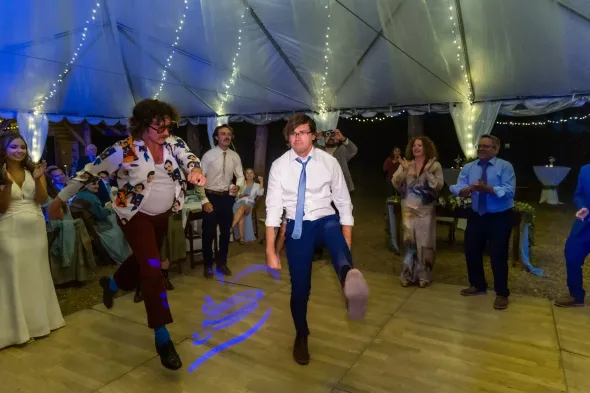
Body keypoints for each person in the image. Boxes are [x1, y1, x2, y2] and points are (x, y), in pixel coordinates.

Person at [47, 99, 206, 370]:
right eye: (160, 127)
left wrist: (196, 170)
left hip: (163, 216)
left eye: (169, 126)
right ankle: (162, 337)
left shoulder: (174, 144)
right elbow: (88, 173)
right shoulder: (122, 150)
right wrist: (60, 199)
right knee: (153, 269)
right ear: (143, 126)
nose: (166, 132)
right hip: (134, 216)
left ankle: (111, 285)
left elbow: (189, 158)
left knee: (144, 261)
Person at [265, 113, 369, 365]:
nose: (297, 137)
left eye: (302, 132)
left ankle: (349, 280)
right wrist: (271, 250)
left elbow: (344, 203)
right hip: (297, 227)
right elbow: (273, 209)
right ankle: (301, 334)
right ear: (288, 138)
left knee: (334, 229)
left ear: (313, 135)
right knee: (300, 288)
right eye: (292, 133)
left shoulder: (328, 162)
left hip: (325, 220)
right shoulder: (279, 166)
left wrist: (346, 246)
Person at [0, 132, 66, 349]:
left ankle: (40, 323)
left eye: (22, 147)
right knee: (12, 273)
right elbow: (2, 207)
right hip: (8, 227)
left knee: (36, 273)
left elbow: (42, 199)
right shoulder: (1, 173)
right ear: (4, 149)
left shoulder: (33, 171)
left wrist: (38, 178)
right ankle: (16, 329)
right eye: (14, 147)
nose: (19, 151)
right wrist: (7, 185)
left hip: (35, 228)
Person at [450, 135, 515, 310]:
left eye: (485, 146)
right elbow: (457, 187)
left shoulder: (505, 167)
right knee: (471, 250)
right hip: (477, 215)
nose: (481, 149)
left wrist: (489, 189)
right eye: (479, 146)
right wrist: (469, 189)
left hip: (499, 216)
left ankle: (502, 293)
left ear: (496, 149)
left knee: (498, 255)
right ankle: (478, 285)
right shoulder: (470, 167)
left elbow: (509, 191)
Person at [391, 137, 443, 288]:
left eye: (419, 145)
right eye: (414, 145)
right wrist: (405, 171)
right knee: (409, 242)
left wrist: (427, 173)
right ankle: (406, 274)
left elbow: (438, 185)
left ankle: (423, 275)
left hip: (426, 210)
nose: (416, 148)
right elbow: (395, 182)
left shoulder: (434, 165)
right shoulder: (407, 164)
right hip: (408, 209)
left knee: (424, 242)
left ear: (426, 147)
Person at [199, 124, 244, 278]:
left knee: (225, 233)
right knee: (208, 233)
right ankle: (207, 266)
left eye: (229, 134)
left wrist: (238, 187)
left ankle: (222, 263)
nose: (226, 136)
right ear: (216, 137)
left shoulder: (235, 156)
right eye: (223, 134)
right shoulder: (208, 155)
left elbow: (240, 176)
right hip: (210, 197)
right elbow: (199, 179)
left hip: (226, 198)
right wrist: (204, 200)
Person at [554, 164, 590, 307]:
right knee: (572, 256)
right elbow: (579, 194)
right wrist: (582, 207)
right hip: (585, 225)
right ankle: (576, 295)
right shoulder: (586, 169)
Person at [71, 180, 132, 264]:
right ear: (85, 185)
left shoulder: (79, 195)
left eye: (97, 183)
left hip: (88, 226)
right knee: (122, 225)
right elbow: (101, 215)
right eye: (93, 184)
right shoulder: (91, 197)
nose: (97, 186)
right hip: (98, 227)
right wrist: (110, 208)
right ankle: (125, 257)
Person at [316, 128, 357, 194]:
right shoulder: (319, 150)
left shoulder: (342, 150)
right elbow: (306, 148)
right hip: (323, 189)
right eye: (328, 136)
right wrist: (316, 137)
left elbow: (354, 150)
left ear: (338, 140)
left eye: (333, 136)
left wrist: (343, 138)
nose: (331, 138)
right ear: (324, 139)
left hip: (341, 189)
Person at [231, 168, 264, 244]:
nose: (249, 175)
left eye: (251, 173)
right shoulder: (241, 184)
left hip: (249, 204)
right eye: (247, 173)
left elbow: (260, 194)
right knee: (241, 212)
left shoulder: (257, 185)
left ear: (254, 175)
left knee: (242, 208)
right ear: (245, 175)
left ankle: (231, 227)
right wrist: (240, 196)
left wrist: (261, 182)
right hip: (238, 203)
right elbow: (236, 197)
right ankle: (242, 238)